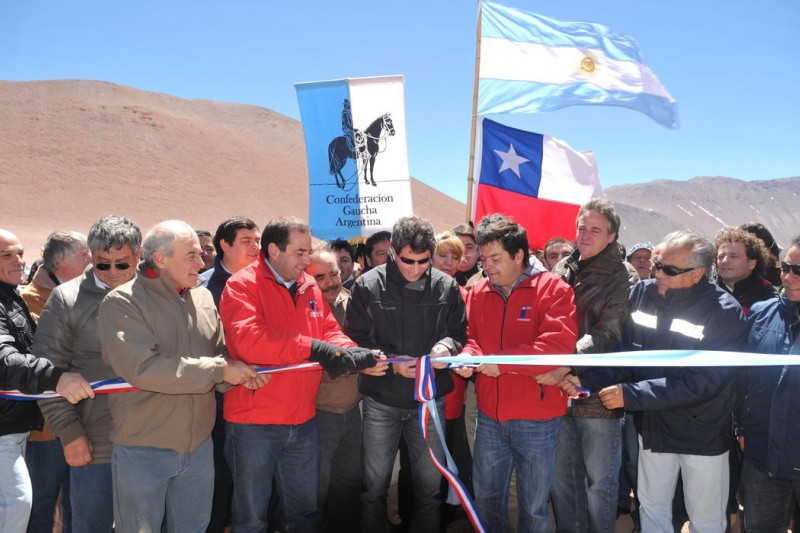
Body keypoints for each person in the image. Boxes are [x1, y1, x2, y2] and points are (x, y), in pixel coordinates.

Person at [564, 230, 748, 533]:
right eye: (656, 263)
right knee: (651, 509)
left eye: (668, 269)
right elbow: (625, 354)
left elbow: (703, 381)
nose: (657, 272)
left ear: (697, 274)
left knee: (705, 518)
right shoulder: (642, 294)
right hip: (652, 428)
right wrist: (584, 377)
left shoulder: (724, 313)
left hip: (701, 434)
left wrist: (632, 396)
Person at [97, 220, 267, 533]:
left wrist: (237, 375)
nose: (202, 263)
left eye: (201, 254)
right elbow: (144, 369)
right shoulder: (122, 303)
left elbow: (219, 355)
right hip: (143, 450)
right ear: (160, 259)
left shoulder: (202, 299)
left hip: (199, 448)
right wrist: (220, 370)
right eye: (191, 255)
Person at [219, 216, 377, 532]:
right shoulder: (241, 285)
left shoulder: (308, 286)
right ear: (274, 250)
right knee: (251, 517)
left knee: (304, 513)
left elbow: (328, 329)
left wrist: (347, 351)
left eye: (309, 253)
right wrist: (315, 348)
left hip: (303, 421)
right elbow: (250, 341)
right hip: (254, 423)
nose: (307, 261)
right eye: (300, 253)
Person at [453, 214, 578, 533]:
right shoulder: (479, 291)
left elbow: (556, 346)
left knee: (534, 507)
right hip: (490, 417)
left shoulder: (553, 289)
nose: (487, 266)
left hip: (536, 419)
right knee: (488, 500)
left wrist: (501, 362)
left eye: (495, 258)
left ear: (518, 255)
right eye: (483, 259)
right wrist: (468, 357)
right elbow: (473, 339)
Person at [346, 215, 467, 533]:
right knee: (373, 488)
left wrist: (445, 347)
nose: (415, 269)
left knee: (429, 490)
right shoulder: (367, 285)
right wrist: (390, 364)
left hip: (429, 403)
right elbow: (356, 340)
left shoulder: (447, 286)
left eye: (423, 261)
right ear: (393, 253)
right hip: (381, 401)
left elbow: (457, 332)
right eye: (407, 261)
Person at [34, 215, 141, 533]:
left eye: (122, 264)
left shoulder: (157, 295)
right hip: (96, 445)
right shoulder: (66, 299)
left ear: (139, 255)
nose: (111, 273)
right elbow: (49, 373)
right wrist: (70, 434)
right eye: (101, 264)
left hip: (153, 441)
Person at [548, 199, 635, 533]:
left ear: (612, 236)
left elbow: (610, 330)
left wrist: (569, 363)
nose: (585, 235)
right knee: (563, 479)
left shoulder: (622, 274)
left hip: (599, 389)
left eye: (595, 230)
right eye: (582, 227)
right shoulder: (563, 267)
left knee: (600, 482)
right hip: (559, 388)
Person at [0, 228, 94, 533]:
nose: (19, 261)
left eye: (20, 254)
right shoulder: (26, 298)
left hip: (39, 423)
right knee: (24, 504)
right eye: (7, 255)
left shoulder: (12, 298)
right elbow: (7, 359)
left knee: (69, 505)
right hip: (32, 427)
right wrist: (57, 377)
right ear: (61, 261)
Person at [200, 216, 261, 533]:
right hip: (220, 402)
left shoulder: (266, 281)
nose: (256, 247)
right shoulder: (204, 288)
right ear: (224, 245)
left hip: (262, 399)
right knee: (220, 479)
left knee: (254, 484)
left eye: (257, 240)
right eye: (247, 241)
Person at [739, 235, 800, 531]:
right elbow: (741, 379)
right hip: (762, 457)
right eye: (786, 267)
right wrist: (739, 427)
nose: (788, 276)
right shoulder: (762, 314)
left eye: (799, 270)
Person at [306, 245, 364, 532]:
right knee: (314, 492)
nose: (330, 281)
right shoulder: (302, 310)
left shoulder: (355, 303)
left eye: (333, 273)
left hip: (354, 413)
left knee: (348, 490)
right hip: (317, 415)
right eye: (319, 277)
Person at [714, 227, 777, 315]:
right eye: (721, 256)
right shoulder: (705, 289)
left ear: (751, 263)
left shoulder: (769, 300)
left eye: (734, 256)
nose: (725, 261)